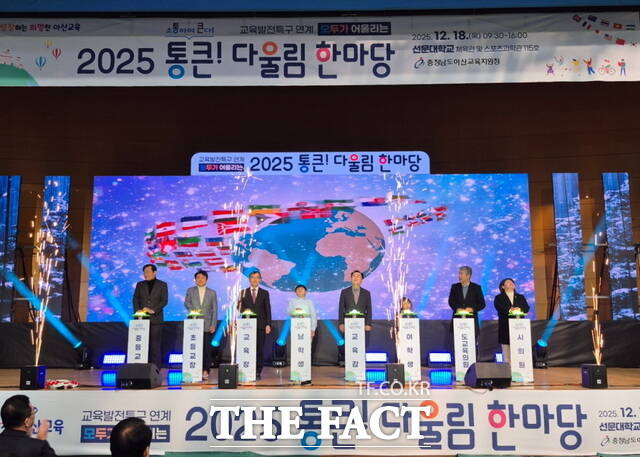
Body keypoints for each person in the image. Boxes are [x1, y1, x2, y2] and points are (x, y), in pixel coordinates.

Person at [132, 264, 168, 368]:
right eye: (144, 272)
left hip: (156, 320)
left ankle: (156, 369)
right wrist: (138, 311)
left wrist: (153, 310)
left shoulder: (162, 284)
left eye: (148, 271)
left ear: (154, 272)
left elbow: (164, 301)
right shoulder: (140, 284)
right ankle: (141, 368)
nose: (145, 274)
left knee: (155, 346)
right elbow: (135, 299)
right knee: (141, 344)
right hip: (141, 320)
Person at [184, 270, 218, 379]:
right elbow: (186, 303)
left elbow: (215, 310)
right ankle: (194, 369)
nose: (200, 279)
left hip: (207, 325)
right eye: (198, 277)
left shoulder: (212, 292)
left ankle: (205, 370)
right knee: (194, 347)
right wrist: (194, 310)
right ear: (195, 279)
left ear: (206, 279)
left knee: (206, 349)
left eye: (202, 277)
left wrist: (213, 324)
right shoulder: (190, 290)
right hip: (193, 324)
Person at [238, 270, 272, 379]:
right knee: (247, 348)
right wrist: (245, 311)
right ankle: (247, 368)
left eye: (257, 277)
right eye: (252, 277)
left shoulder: (265, 293)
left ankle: (258, 371)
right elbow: (239, 307)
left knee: (259, 349)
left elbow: (268, 309)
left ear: (260, 280)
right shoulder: (243, 292)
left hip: (261, 325)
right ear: (249, 279)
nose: (255, 279)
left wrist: (268, 324)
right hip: (246, 326)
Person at [338, 270, 373, 364]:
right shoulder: (344, 292)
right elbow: (341, 308)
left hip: (361, 324)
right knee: (349, 344)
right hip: (348, 324)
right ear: (351, 279)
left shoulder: (366, 293)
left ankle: (360, 363)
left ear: (362, 280)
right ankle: (349, 363)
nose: (356, 277)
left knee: (361, 344)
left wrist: (368, 324)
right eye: (354, 276)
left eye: (358, 276)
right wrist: (341, 323)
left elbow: (369, 309)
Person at [494, 278, 530, 364]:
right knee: (506, 347)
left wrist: (519, 309)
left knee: (519, 346)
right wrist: (510, 310)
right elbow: (499, 307)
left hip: (519, 326)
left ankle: (519, 365)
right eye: (508, 282)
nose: (511, 283)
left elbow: (526, 308)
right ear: (503, 286)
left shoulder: (520, 297)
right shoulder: (499, 297)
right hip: (505, 325)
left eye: (512, 282)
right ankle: (508, 366)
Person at [448, 266, 486, 335]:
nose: (459, 276)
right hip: (458, 320)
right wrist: (456, 309)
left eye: (461, 273)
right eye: (459, 273)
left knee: (471, 341)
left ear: (468, 275)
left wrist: (472, 309)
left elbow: (482, 304)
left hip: (472, 320)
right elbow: (451, 301)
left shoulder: (476, 287)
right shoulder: (455, 287)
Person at [288, 285, 318, 363]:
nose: (300, 290)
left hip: (307, 327)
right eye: (298, 289)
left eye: (302, 289)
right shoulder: (292, 301)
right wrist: (295, 310)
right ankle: (296, 365)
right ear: (295, 292)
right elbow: (289, 312)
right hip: (296, 327)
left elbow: (313, 315)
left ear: (306, 292)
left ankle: (305, 366)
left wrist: (313, 329)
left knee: (306, 347)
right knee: (296, 346)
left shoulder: (309, 302)